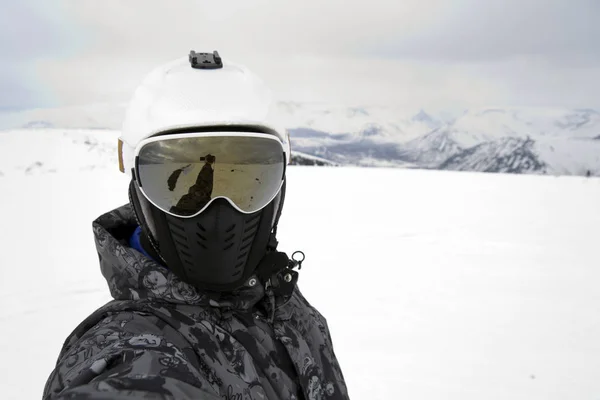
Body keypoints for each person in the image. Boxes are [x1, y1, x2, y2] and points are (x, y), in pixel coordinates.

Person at [43, 51, 349, 400]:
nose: (219, 213)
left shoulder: (283, 303)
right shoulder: (130, 347)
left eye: (246, 179)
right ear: (137, 188)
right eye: (175, 183)